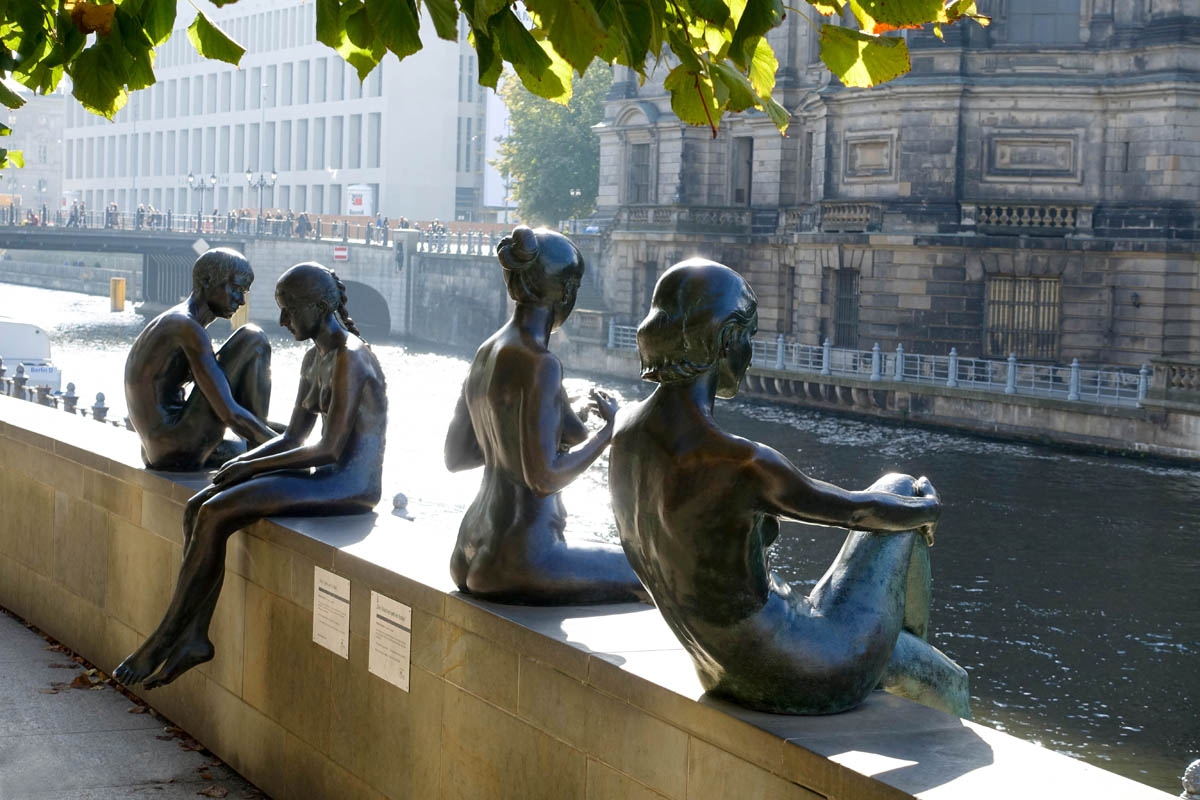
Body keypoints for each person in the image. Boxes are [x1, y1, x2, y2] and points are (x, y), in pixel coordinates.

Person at [609, 259, 971, 717]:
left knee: (895, 494)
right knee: (904, 490)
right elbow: (857, 512)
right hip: (803, 673)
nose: (750, 355)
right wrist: (928, 509)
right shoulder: (742, 462)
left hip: (720, 670)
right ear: (726, 341)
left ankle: (896, 651)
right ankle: (901, 657)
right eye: (749, 339)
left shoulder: (624, 435)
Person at [115, 262, 388, 688]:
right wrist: (249, 459)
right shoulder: (315, 358)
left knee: (215, 511)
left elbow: (330, 448)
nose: (282, 321)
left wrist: (251, 463)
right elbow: (293, 438)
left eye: (289, 310)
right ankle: (193, 636)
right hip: (323, 476)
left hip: (348, 484)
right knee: (198, 507)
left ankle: (166, 636)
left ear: (318, 307)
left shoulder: (349, 358)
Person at [444, 225, 645, 604]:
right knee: (651, 568)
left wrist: (561, 411)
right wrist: (612, 430)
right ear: (566, 293)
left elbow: (457, 458)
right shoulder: (541, 364)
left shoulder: (487, 352)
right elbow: (543, 479)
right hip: (522, 559)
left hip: (469, 548)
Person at [124, 248, 276, 471]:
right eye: (235, 288)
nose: (242, 300)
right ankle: (260, 453)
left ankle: (258, 445)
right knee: (254, 339)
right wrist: (284, 449)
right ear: (206, 281)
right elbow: (229, 412)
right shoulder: (188, 329)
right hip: (178, 447)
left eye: (244, 292)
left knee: (265, 438)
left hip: (157, 449)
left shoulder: (176, 321)